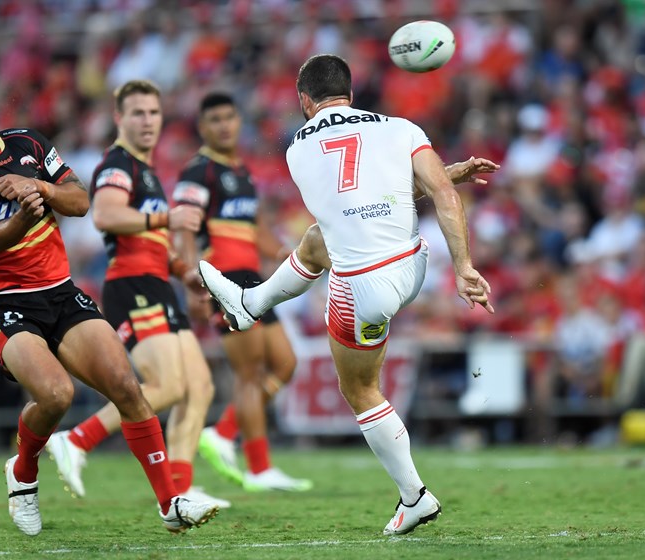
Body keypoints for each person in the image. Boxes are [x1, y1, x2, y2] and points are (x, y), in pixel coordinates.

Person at [198, 54, 495, 536]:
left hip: (363, 286)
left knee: (359, 389)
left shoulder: (297, 148)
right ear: (351, 94)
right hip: (411, 265)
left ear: (303, 100)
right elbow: (438, 194)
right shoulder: (401, 127)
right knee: (316, 241)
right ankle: (250, 304)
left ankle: (414, 496)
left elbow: (350, 206)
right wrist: (463, 267)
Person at [0, 78, 218, 536]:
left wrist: (37, 186)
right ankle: (23, 472)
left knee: (127, 388)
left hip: (60, 290)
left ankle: (170, 503)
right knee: (56, 394)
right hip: (4, 305)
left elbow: (80, 200)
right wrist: (24, 210)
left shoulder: (27, 143)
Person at [45, 79, 229, 508]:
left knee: (199, 386)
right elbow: (105, 214)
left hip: (157, 283)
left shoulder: (144, 169)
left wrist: (184, 271)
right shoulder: (117, 163)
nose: (147, 121)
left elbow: (150, 238)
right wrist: (167, 216)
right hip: (132, 287)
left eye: (153, 112)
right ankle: (75, 439)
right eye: (138, 113)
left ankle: (180, 491)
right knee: (165, 385)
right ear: (119, 118)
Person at [173, 92, 310, 491]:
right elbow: (182, 229)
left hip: (254, 280)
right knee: (249, 375)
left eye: (229, 117)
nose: (224, 126)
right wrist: (193, 282)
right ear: (203, 127)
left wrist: (284, 251)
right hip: (225, 281)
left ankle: (223, 432)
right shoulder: (199, 172)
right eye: (214, 119)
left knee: (284, 364)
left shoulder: (241, 171)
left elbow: (254, 229)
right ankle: (259, 468)